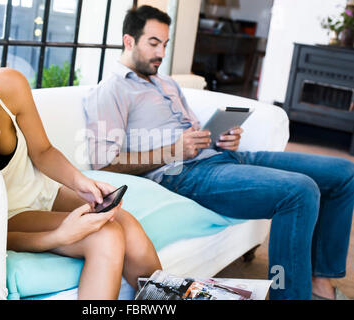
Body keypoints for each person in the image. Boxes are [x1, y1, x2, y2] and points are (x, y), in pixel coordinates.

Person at [83, 5, 354, 300]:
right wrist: (173, 151)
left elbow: (193, 131)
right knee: (299, 191)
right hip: (186, 174)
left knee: (344, 173)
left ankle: (320, 279)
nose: (161, 52)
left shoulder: (166, 82)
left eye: (165, 44)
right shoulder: (111, 91)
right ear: (129, 41)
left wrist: (221, 138)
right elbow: (105, 163)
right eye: (153, 43)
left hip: (223, 158)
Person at [0, 67, 162, 300]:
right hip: (10, 214)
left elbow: (43, 151)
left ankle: (170, 299)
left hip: (45, 188)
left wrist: (81, 182)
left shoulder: (7, 84)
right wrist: (58, 236)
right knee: (107, 235)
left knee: (125, 222)